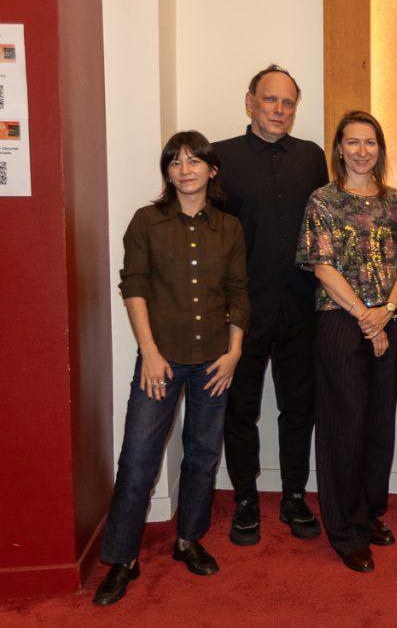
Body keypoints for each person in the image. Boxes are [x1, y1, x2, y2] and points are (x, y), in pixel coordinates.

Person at [93, 131, 249, 606]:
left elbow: (239, 292)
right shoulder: (147, 222)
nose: (185, 169)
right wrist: (150, 352)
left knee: (202, 454)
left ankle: (188, 540)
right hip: (160, 361)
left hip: (214, 362)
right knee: (138, 459)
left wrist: (234, 353)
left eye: (194, 161)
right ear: (167, 172)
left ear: (211, 170)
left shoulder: (229, 228)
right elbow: (134, 286)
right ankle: (123, 559)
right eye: (175, 162)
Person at [295, 111, 397, 573]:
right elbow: (322, 266)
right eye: (353, 142)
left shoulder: (395, 201)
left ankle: (369, 513)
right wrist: (366, 316)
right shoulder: (322, 200)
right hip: (342, 322)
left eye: (370, 142)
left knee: (380, 422)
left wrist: (387, 311)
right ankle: (345, 529)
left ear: (379, 149)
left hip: (388, 318)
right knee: (343, 427)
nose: (362, 150)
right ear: (340, 150)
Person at [215, 65, 328, 546]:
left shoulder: (312, 157)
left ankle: (294, 496)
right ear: (250, 102)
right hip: (242, 312)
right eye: (269, 100)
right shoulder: (220, 157)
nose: (279, 110)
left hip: (302, 307)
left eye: (287, 102)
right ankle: (245, 498)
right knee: (239, 410)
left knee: (299, 409)